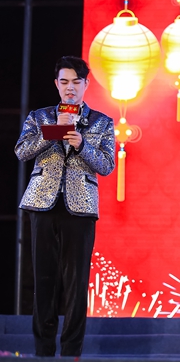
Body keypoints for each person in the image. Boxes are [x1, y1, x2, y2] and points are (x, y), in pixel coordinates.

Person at [15, 56, 116, 357]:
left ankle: (72, 350)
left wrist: (82, 144)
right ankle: (43, 350)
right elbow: (21, 151)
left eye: (76, 82)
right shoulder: (39, 117)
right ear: (56, 85)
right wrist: (53, 132)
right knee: (43, 279)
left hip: (81, 208)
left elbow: (107, 165)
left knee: (76, 282)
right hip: (42, 204)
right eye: (64, 82)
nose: (70, 88)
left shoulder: (101, 122)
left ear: (86, 84)